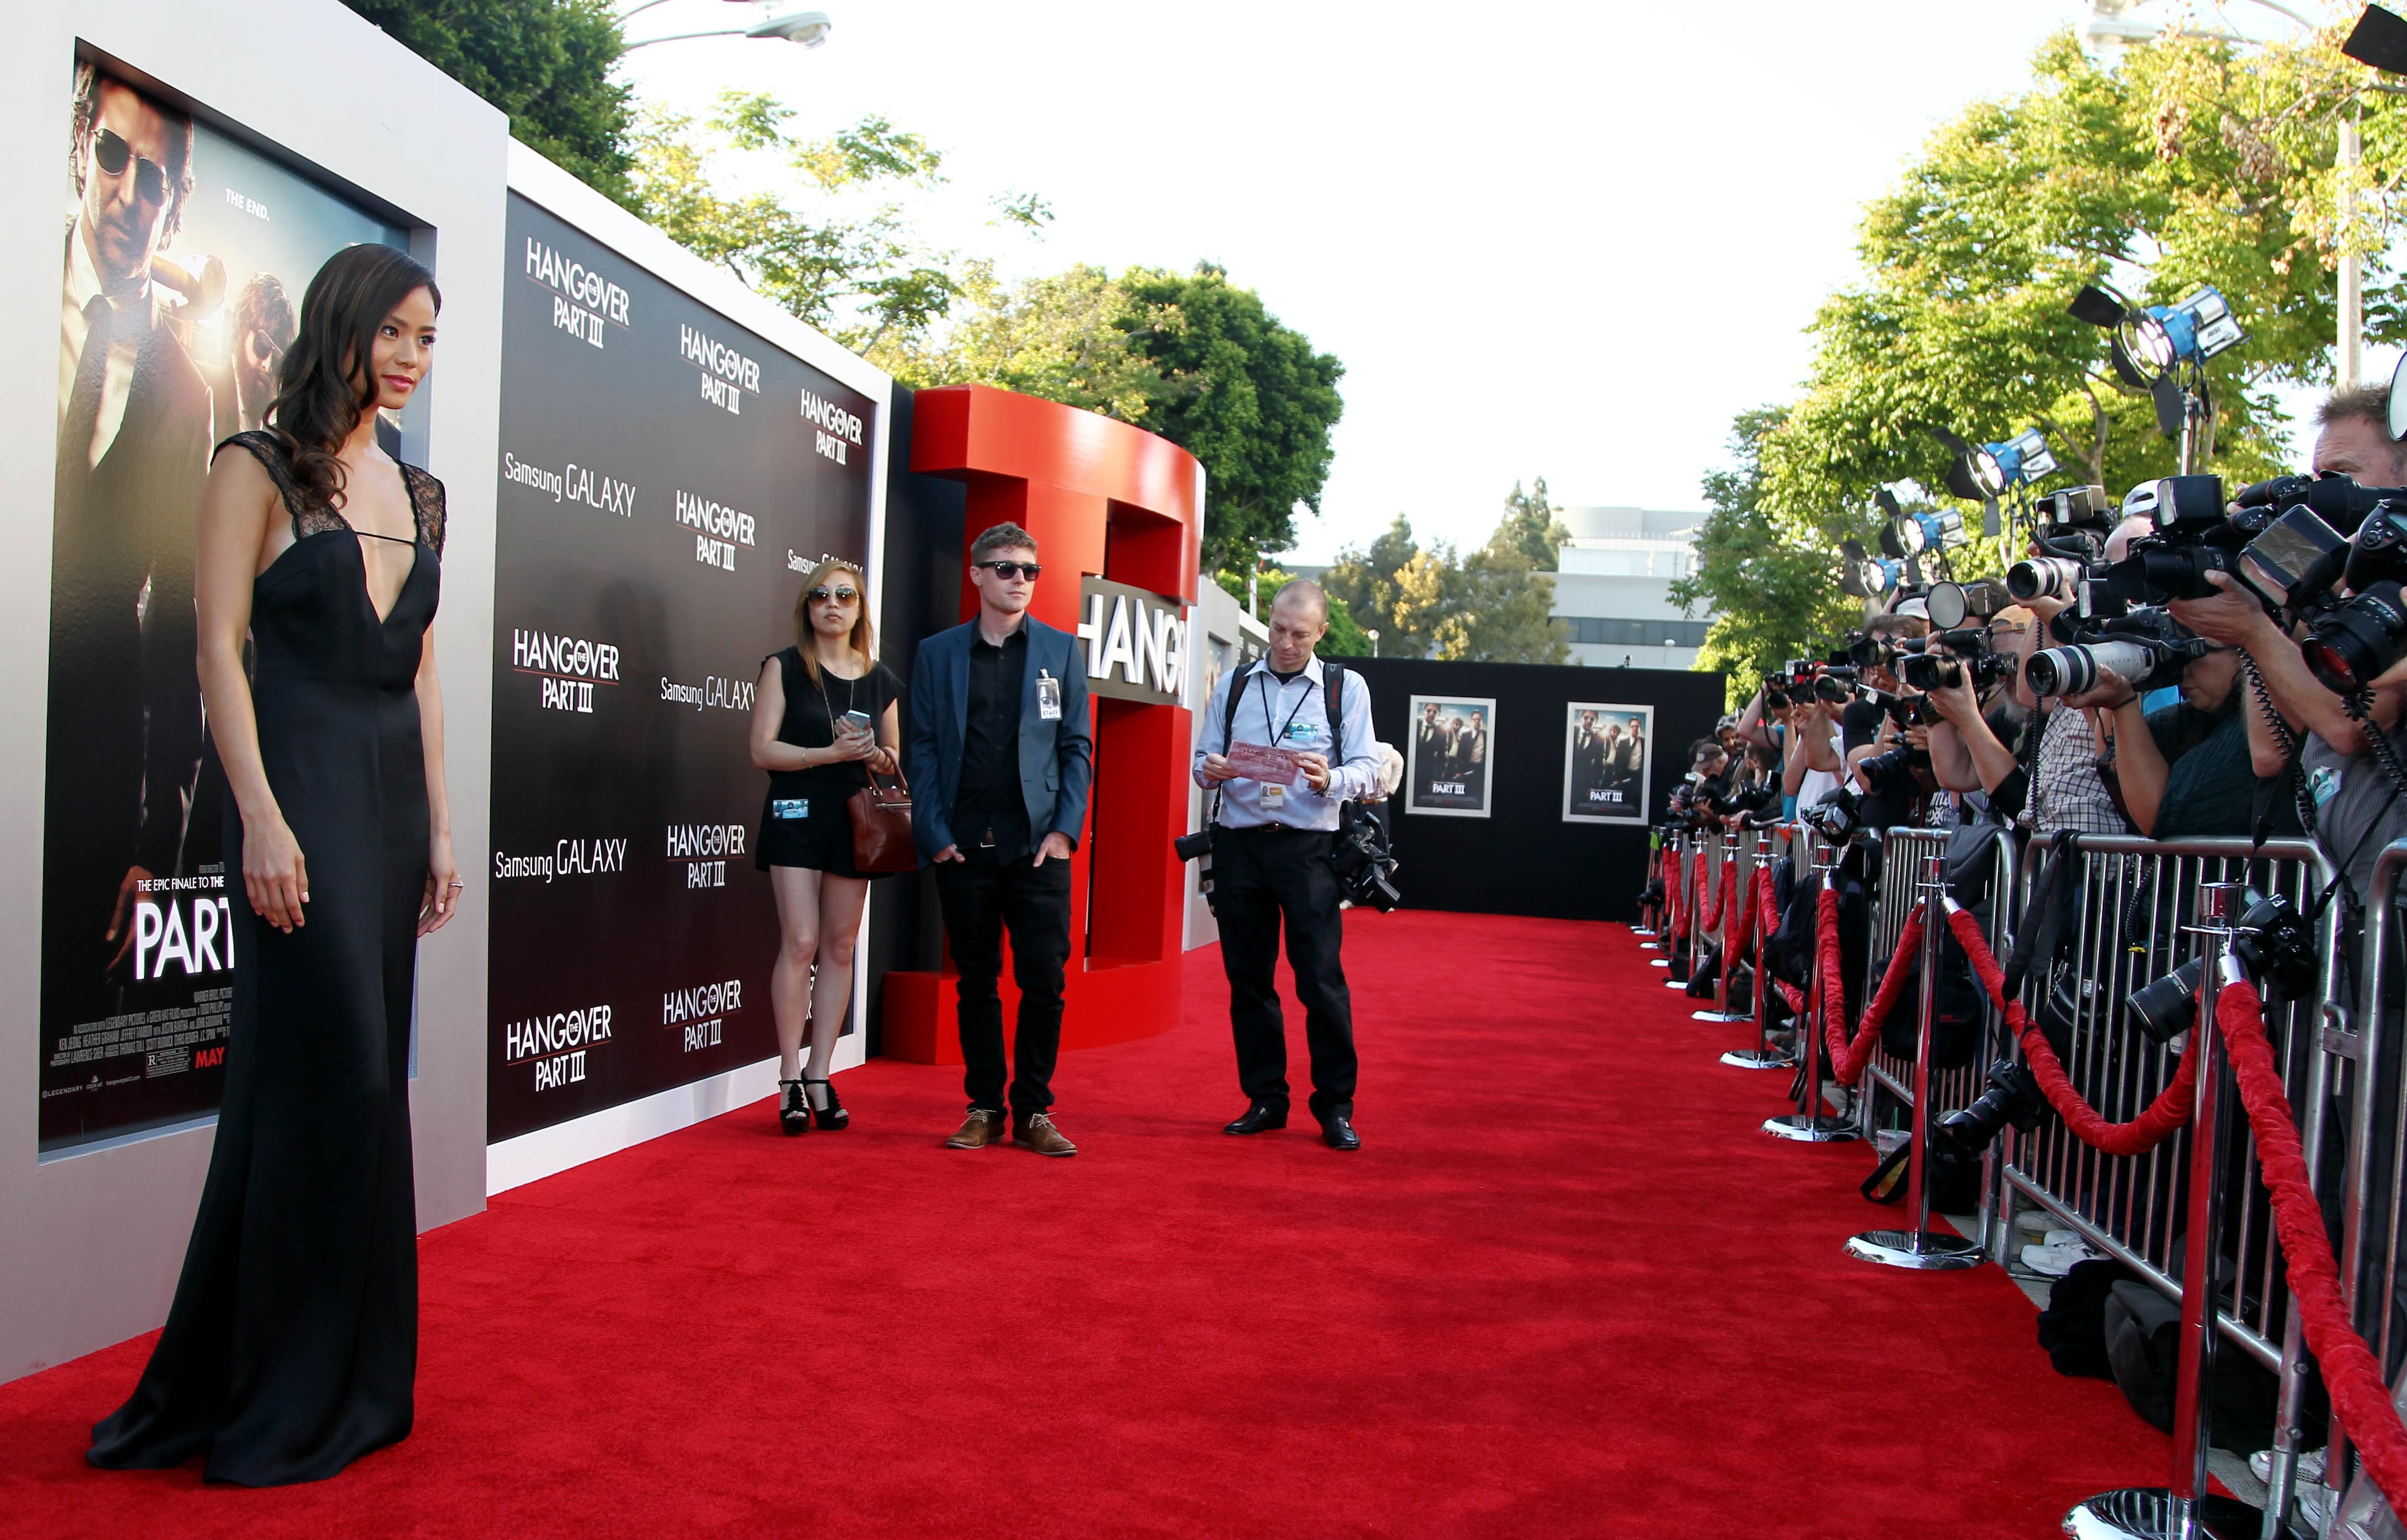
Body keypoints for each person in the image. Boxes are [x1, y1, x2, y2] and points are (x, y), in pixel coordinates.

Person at [88, 244, 458, 1485]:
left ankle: (353, 1376)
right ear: (343, 325)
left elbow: (421, 670)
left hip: (392, 800)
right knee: (326, 1074)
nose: (411, 358)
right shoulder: (254, 464)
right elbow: (215, 647)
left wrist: (446, 825)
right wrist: (258, 814)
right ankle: (277, 1385)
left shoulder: (418, 487)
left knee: (365, 1085)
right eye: (396, 332)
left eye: (428, 340)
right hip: (296, 789)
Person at [48, 66, 214, 1035]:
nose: (128, 193)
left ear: (177, 203)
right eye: (114, 156)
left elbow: (183, 622)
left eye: (155, 179)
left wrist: (159, 842)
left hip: (97, 793)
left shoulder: (187, 394)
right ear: (82, 147)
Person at [906, 523, 1093, 1156]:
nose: (1020, 580)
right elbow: (924, 747)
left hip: (1038, 846)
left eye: (1029, 571)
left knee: (1045, 980)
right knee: (976, 981)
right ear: (977, 574)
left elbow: (1076, 748)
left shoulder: (1062, 652)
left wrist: (1066, 830)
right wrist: (932, 833)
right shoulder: (938, 653)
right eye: (1006, 568)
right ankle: (984, 1105)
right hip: (962, 847)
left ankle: (1035, 1110)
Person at [1195, 580, 1383, 1150]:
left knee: (1321, 981)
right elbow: (1202, 764)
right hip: (1240, 845)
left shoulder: (1343, 687)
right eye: (1277, 628)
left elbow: (1370, 768)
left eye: (1299, 633)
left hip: (1308, 850)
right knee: (1248, 982)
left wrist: (1334, 779)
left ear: (1321, 632)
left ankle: (1335, 1108)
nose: (1285, 642)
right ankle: (1265, 1099)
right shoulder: (1233, 684)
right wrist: (1215, 770)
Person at [750, 559, 902, 1135]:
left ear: (860, 608)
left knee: (839, 946)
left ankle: (820, 1071)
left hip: (854, 816)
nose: (832, 604)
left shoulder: (880, 678)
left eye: (845, 594)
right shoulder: (784, 667)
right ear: (807, 607)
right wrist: (825, 755)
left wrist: (869, 754)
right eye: (820, 595)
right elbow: (762, 750)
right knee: (802, 940)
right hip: (795, 810)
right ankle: (789, 1074)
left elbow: (895, 761)